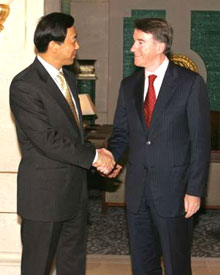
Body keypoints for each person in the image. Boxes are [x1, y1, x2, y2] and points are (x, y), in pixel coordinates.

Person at [10, 12, 115, 275]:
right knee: (37, 268)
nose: (77, 46)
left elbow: (72, 135)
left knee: (73, 266)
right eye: (73, 40)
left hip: (74, 194)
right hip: (44, 197)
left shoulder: (68, 78)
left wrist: (96, 152)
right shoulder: (25, 85)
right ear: (54, 45)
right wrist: (94, 157)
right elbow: (47, 140)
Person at [108, 18, 210, 275]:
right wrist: (111, 156)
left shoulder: (190, 83)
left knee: (177, 266)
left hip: (175, 194)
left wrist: (195, 190)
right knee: (142, 266)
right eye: (134, 42)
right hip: (137, 193)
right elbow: (121, 133)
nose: (133, 48)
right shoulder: (128, 86)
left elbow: (200, 142)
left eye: (140, 42)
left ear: (160, 45)